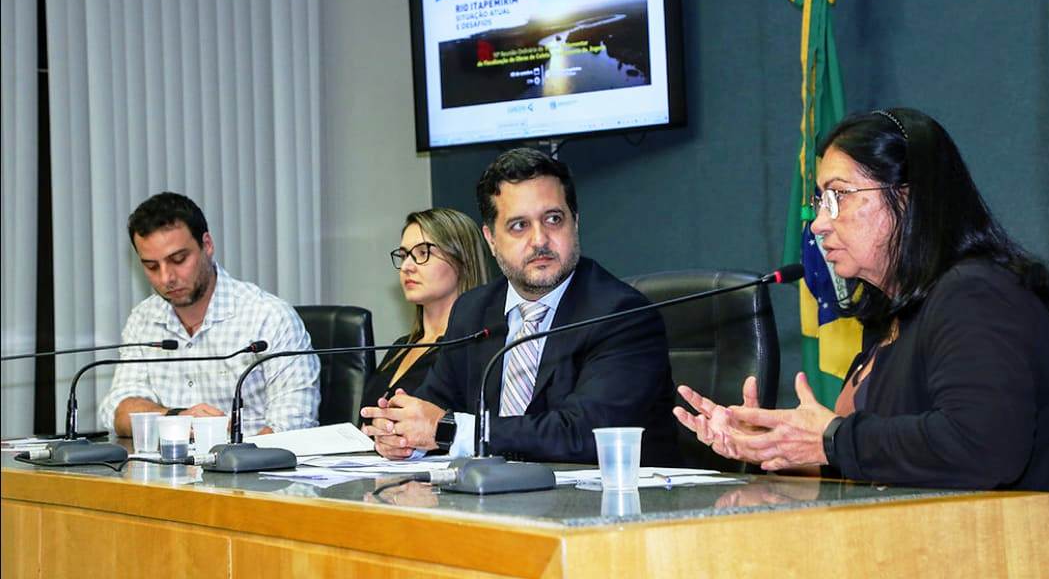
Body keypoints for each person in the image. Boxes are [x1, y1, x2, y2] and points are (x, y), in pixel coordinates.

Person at [674, 108, 1049, 490]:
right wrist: (775, 444)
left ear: (908, 198)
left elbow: (983, 448)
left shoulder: (975, 294)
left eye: (839, 195)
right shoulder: (892, 317)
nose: (819, 224)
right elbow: (873, 462)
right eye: (821, 201)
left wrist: (831, 439)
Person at [361, 147, 679, 464]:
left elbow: (586, 434)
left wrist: (451, 431)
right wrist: (401, 434)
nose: (539, 240)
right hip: (493, 493)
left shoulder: (622, 314)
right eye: (519, 226)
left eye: (553, 219)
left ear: (575, 223)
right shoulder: (473, 311)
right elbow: (433, 409)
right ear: (491, 240)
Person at [99, 192, 321, 437]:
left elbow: (293, 424)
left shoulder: (269, 318)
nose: (166, 278)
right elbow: (118, 412)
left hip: (251, 458)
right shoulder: (143, 320)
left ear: (207, 245)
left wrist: (236, 457)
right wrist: (177, 419)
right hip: (173, 461)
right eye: (151, 266)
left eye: (178, 259)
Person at [360, 208, 491, 413]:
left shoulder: (475, 349)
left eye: (423, 252)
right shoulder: (401, 346)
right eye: (404, 255)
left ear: (463, 260)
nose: (407, 266)